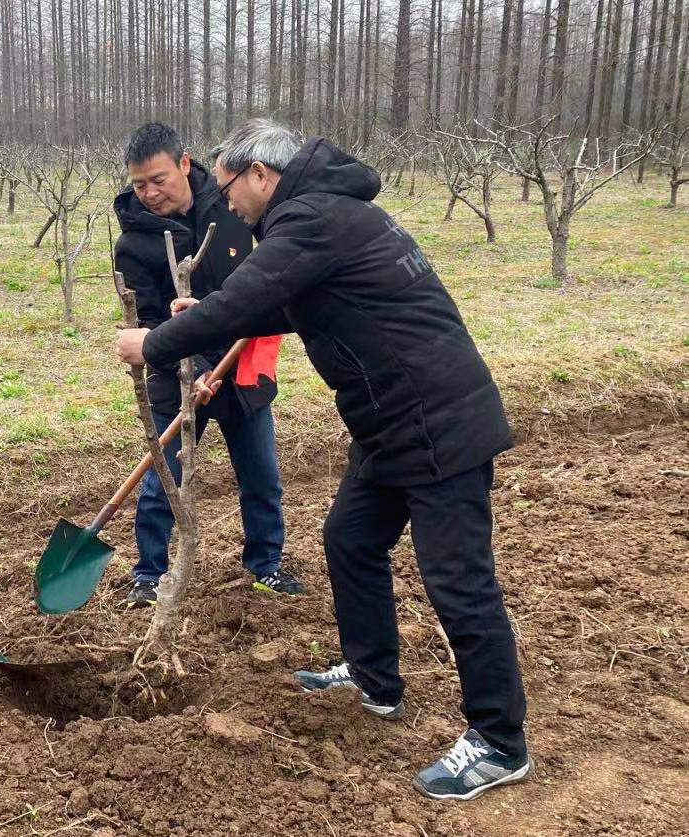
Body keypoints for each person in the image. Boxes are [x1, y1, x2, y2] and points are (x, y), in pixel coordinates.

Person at [114, 118, 532, 801]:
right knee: (350, 539)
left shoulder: (311, 217)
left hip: (436, 420)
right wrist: (211, 309)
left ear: (260, 174)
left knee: (459, 583)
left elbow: (254, 293)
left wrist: (155, 341)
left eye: (230, 187)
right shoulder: (324, 214)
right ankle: (374, 677)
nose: (228, 202)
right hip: (390, 422)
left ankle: (499, 741)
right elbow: (288, 302)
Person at [114, 122, 304, 608]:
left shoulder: (233, 205)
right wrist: (193, 366)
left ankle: (265, 564)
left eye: (158, 179)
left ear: (184, 163)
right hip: (174, 372)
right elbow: (150, 322)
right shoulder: (134, 243)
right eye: (139, 184)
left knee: (260, 475)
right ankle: (149, 573)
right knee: (162, 480)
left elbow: (264, 279)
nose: (150, 193)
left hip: (241, 364)